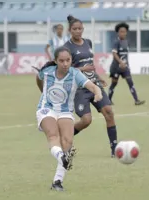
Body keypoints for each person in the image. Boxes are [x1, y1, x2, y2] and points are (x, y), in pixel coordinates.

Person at [35, 46, 103, 191]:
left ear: (71, 60)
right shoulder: (46, 72)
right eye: (61, 61)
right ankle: (62, 157)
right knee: (53, 135)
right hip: (47, 108)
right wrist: (43, 92)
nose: (65, 64)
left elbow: (93, 86)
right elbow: (38, 78)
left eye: (68, 60)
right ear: (55, 61)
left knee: (68, 143)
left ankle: (57, 182)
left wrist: (98, 93)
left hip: (65, 111)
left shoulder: (75, 74)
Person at [63, 15, 118, 157]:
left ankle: (114, 149)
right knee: (86, 120)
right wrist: (81, 70)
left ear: (83, 29)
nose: (77, 31)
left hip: (95, 85)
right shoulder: (66, 48)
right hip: (80, 89)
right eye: (74, 29)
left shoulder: (88, 42)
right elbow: (64, 70)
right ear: (70, 30)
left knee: (109, 112)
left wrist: (98, 77)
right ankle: (66, 135)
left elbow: (90, 65)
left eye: (80, 28)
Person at [108, 22, 145, 106]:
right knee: (114, 83)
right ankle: (108, 100)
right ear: (118, 33)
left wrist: (126, 64)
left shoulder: (126, 42)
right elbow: (114, 54)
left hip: (125, 67)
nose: (123, 33)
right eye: (121, 31)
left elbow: (125, 55)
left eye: (124, 31)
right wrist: (120, 62)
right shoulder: (116, 42)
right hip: (116, 67)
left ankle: (136, 100)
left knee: (130, 82)